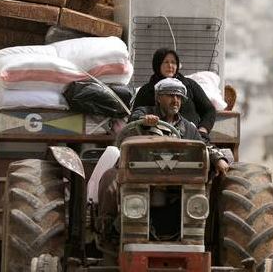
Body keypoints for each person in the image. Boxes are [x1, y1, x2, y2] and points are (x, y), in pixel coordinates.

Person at [97, 78, 230, 237]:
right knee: (109, 177)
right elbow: (131, 126)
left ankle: (202, 233)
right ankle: (108, 231)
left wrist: (218, 159)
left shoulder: (188, 127)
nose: (175, 100)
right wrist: (144, 123)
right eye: (170, 95)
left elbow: (202, 145)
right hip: (138, 176)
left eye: (179, 97)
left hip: (176, 180)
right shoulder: (144, 113)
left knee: (208, 184)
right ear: (158, 97)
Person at [132, 48, 216, 139]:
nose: (170, 66)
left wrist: (202, 130)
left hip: (188, 138)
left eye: (173, 62)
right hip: (155, 138)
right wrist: (145, 120)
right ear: (158, 97)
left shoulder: (189, 85)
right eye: (166, 62)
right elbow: (135, 117)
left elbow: (209, 110)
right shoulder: (146, 90)